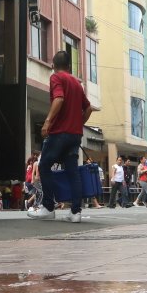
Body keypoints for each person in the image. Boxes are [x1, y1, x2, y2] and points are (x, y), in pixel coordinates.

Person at [30, 51, 93, 223]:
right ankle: (75, 212)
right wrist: (78, 124)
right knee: (73, 172)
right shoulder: (76, 83)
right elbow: (88, 109)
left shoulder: (56, 78)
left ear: (53, 65)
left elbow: (58, 98)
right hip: (75, 135)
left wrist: (47, 122)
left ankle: (49, 207)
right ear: (69, 66)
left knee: (44, 166)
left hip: (59, 133)